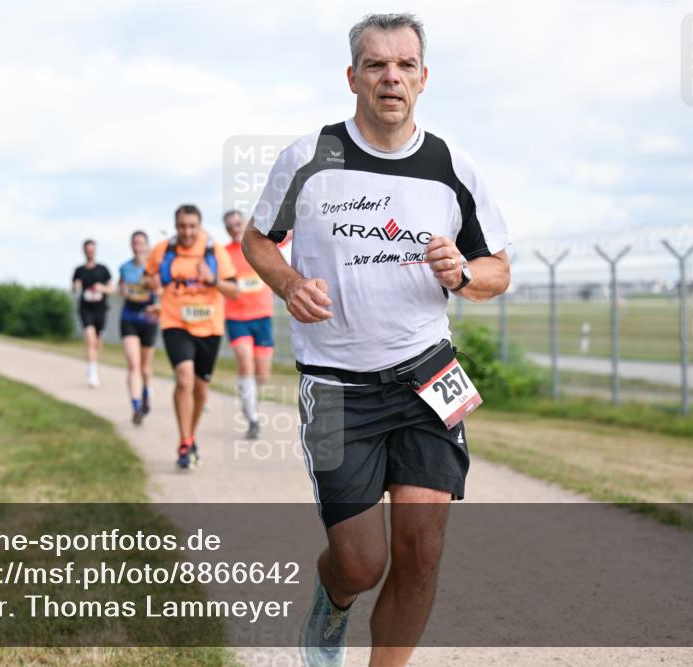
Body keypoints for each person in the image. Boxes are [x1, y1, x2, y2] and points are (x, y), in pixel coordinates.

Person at [242, 14, 511, 667]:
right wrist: (288, 283)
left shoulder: (452, 167)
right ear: (353, 77)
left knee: (422, 551)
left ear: (423, 77)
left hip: (429, 376)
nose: (391, 77)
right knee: (361, 562)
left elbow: (498, 270)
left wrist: (463, 273)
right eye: (376, 64)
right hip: (337, 388)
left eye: (405, 65)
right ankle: (332, 601)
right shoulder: (308, 158)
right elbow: (257, 240)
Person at [145, 204, 238, 469]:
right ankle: (185, 440)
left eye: (192, 226)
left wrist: (212, 280)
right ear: (175, 226)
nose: (187, 232)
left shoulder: (214, 250)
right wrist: (151, 284)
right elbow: (147, 278)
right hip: (175, 322)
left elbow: (234, 291)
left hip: (210, 327)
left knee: (200, 388)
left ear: (200, 226)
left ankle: (191, 434)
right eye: (182, 226)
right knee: (184, 378)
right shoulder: (163, 250)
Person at [222, 209, 284, 440]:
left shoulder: (260, 243)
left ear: (244, 223)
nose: (234, 228)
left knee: (262, 374)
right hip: (236, 317)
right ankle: (253, 419)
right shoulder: (224, 253)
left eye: (237, 223)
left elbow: (287, 234)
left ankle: (249, 399)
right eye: (229, 225)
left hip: (262, 315)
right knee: (245, 362)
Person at [118, 231, 158, 425]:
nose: (138, 247)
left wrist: (149, 282)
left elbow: (159, 288)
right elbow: (121, 288)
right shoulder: (124, 268)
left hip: (149, 319)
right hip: (129, 318)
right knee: (133, 364)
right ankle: (135, 407)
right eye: (135, 243)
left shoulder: (154, 266)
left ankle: (146, 393)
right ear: (131, 246)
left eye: (141, 243)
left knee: (144, 368)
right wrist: (123, 290)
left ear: (147, 246)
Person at [72, 239, 113, 387]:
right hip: (86, 309)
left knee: (97, 342)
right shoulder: (79, 270)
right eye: (87, 249)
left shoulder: (103, 269)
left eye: (92, 249)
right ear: (84, 251)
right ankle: (92, 373)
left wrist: (102, 288)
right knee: (90, 339)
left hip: (100, 310)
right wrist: (76, 286)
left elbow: (111, 289)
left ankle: (94, 363)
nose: (90, 252)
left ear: (95, 250)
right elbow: (74, 288)